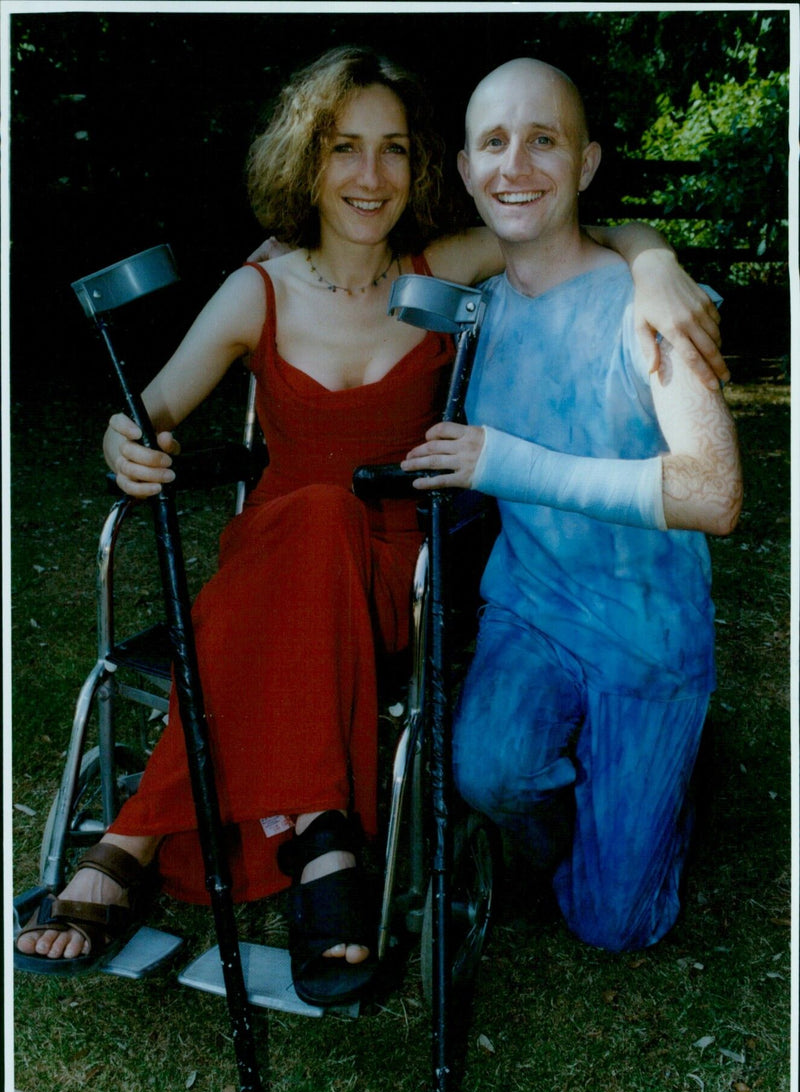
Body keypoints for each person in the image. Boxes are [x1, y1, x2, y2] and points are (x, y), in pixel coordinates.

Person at [16, 47, 729, 1000]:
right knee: (304, 518)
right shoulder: (254, 292)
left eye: (393, 150)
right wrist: (125, 446)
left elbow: (572, 228)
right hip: (272, 569)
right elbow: (147, 415)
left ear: (421, 168)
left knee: (320, 518)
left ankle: (129, 839)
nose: (370, 175)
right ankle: (321, 837)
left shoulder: (441, 271)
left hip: (386, 575)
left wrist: (654, 264)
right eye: (344, 148)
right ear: (306, 162)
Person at [401, 58, 742, 953]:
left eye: (542, 140)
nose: (517, 165)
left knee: (615, 926)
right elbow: (351, 278)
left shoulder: (652, 309)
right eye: (494, 144)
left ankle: (658, 782)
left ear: (584, 164)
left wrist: (505, 462)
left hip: (649, 636)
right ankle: (587, 819)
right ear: (469, 172)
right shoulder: (472, 314)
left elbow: (715, 493)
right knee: (488, 773)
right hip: (532, 613)